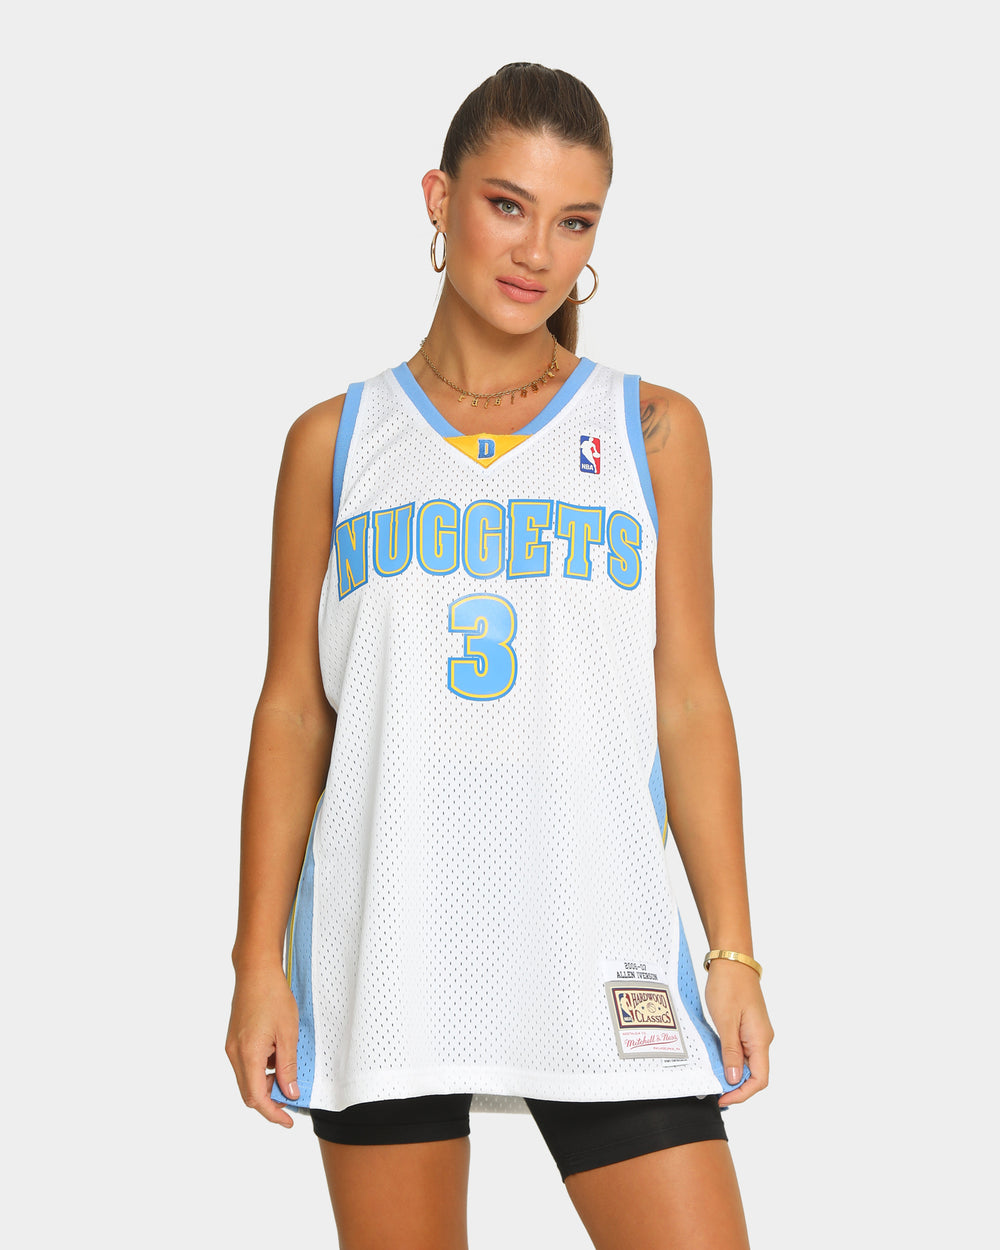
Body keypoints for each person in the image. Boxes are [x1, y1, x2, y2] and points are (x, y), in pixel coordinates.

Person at [226, 61, 774, 1249]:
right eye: (507, 205)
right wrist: (255, 962)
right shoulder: (337, 440)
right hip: (387, 940)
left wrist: (731, 948)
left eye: (574, 221)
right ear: (439, 198)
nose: (537, 252)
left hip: (600, 932)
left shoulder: (649, 428)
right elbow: (294, 711)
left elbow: (688, 697)